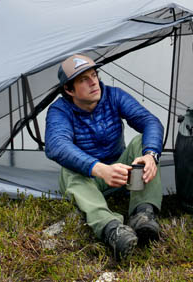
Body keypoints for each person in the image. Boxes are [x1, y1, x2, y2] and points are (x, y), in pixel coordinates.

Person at [44, 53, 164, 260]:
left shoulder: (113, 95)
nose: (94, 82)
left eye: (94, 74)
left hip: (121, 172)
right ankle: (112, 229)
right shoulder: (60, 110)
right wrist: (99, 168)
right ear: (69, 89)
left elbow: (149, 121)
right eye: (84, 79)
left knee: (141, 143)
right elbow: (57, 145)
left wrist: (151, 154)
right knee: (69, 171)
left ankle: (142, 214)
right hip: (89, 177)